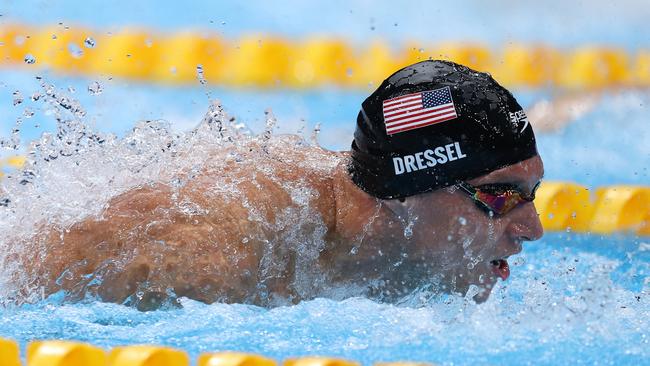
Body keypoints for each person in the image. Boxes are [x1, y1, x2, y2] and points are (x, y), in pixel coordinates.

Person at [20, 60, 544, 310]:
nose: (533, 228)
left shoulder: (417, 248)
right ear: (407, 188)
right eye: (500, 196)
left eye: (532, 193)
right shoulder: (210, 261)